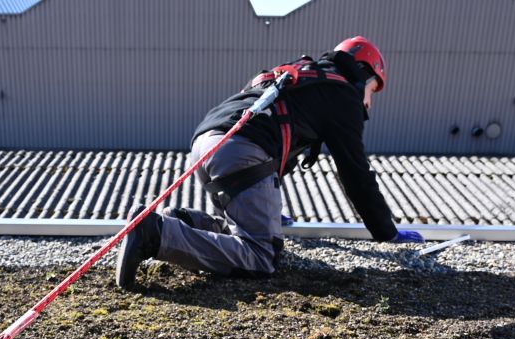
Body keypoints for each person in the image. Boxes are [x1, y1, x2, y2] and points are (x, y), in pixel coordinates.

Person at [116, 36, 423, 290]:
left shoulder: (303, 77)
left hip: (206, 144)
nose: (369, 101)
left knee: (244, 232)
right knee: (262, 255)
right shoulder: (342, 95)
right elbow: (355, 173)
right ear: (362, 73)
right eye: (372, 89)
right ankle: (155, 234)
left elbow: (281, 141)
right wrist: (387, 232)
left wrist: (270, 211)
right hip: (241, 150)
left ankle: (182, 222)